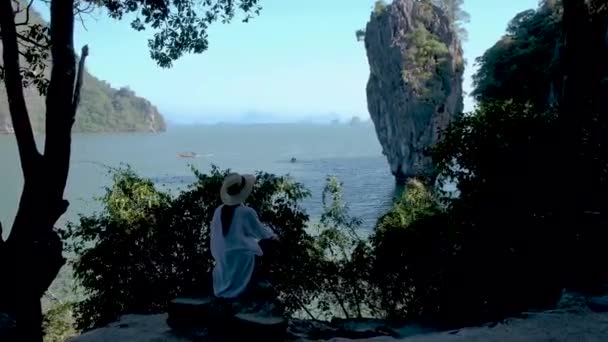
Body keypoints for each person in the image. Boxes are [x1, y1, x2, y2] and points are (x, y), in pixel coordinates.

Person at [210, 172, 279, 299]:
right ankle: (261, 279)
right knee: (272, 242)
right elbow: (262, 233)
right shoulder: (246, 212)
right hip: (241, 259)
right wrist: (274, 235)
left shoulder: (218, 211)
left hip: (223, 259)